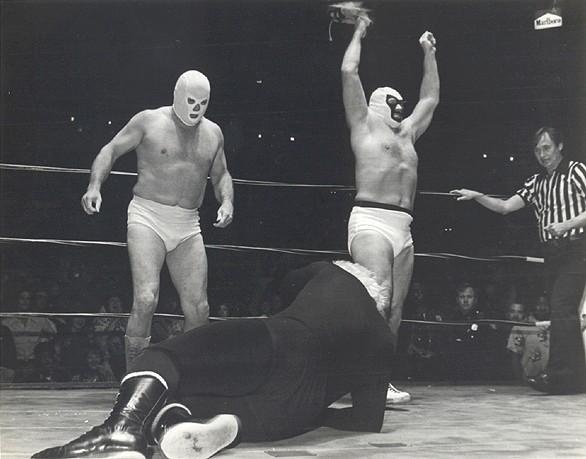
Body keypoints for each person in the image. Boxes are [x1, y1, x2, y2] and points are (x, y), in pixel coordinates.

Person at [32, 260, 394, 459]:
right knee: (193, 400)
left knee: (167, 356)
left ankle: (120, 431)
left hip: (281, 340)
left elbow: (287, 282)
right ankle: (186, 425)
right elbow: (367, 421)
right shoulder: (383, 341)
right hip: (291, 414)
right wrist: (318, 414)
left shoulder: (335, 273)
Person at [81, 70, 234, 366]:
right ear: (178, 95)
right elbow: (111, 150)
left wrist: (227, 201)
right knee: (146, 298)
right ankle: (135, 373)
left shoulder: (213, 133)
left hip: (188, 223)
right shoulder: (149, 121)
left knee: (199, 308)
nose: (196, 109)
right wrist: (94, 186)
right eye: (191, 101)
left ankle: (192, 375)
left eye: (202, 103)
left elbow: (221, 174)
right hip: (148, 216)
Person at [341, 17, 439, 403]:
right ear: (380, 104)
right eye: (395, 102)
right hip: (370, 221)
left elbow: (430, 98)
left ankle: (379, 381)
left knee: (395, 308)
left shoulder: (409, 133)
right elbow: (349, 71)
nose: (402, 107)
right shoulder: (364, 125)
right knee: (377, 302)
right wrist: (358, 32)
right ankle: (359, 381)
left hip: (403, 227)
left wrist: (429, 53)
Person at [451, 126, 586, 394]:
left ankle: (563, 376)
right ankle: (572, 377)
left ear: (560, 146)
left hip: (577, 247)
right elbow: (505, 207)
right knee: (562, 310)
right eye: (537, 150)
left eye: (547, 148)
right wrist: (478, 196)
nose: (542, 154)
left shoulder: (576, 171)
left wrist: (566, 224)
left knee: (562, 308)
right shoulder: (536, 182)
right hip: (552, 253)